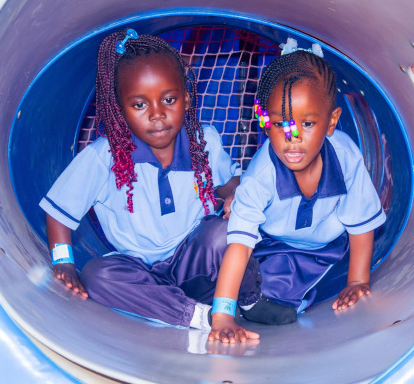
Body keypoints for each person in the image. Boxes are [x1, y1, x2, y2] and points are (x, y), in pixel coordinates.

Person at [39, 28, 262, 331]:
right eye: (140, 105)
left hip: (195, 263)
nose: (157, 114)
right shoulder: (105, 157)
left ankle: (250, 300)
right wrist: (63, 261)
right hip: (139, 270)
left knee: (225, 232)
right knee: (97, 275)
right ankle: (198, 316)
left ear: (186, 97)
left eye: (169, 99)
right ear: (119, 108)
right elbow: (59, 212)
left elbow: (228, 185)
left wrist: (236, 197)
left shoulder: (203, 141)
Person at [208, 38, 386, 343]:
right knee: (220, 252)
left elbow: (360, 222)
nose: (293, 138)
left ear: (331, 122)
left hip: (318, 250)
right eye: (281, 124)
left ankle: (256, 297)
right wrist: (222, 316)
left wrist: (357, 280)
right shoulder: (262, 173)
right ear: (266, 122)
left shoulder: (345, 156)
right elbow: (240, 244)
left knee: (277, 294)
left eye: (308, 124)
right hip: (266, 241)